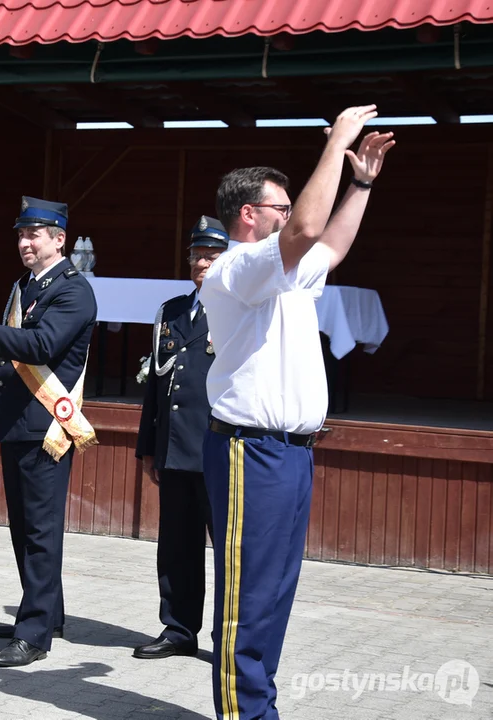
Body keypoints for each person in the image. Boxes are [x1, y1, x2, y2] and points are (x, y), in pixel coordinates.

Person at [200, 106, 395, 719]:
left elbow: (329, 245)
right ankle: (244, 714)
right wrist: (336, 145)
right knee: (245, 597)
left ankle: (261, 707)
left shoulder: (280, 267)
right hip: (248, 451)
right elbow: (309, 230)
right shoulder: (238, 266)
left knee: (275, 594)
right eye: (280, 208)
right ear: (248, 216)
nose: (291, 214)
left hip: (291, 451)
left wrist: (360, 182)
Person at [0, 196, 97, 668]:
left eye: (34, 235)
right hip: (18, 423)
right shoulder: (26, 285)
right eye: (20, 234)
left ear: (59, 239)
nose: (24, 243)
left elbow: (40, 345)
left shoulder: (73, 291)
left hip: (46, 428)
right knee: (23, 529)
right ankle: (44, 613)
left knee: (41, 532)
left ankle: (35, 634)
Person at [133, 216, 228, 660]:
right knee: (176, 547)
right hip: (174, 450)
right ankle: (178, 628)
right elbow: (156, 386)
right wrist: (148, 447)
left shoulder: (235, 310)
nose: (202, 263)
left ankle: (229, 639)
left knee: (228, 553)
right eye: (197, 256)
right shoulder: (170, 311)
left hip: (217, 449)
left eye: (212, 256)